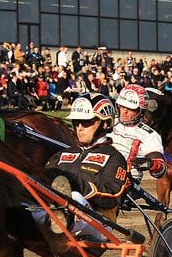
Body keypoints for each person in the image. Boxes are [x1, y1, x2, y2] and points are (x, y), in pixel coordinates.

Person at [45, 93, 130, 241]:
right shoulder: (63, 154)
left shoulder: (114, 157)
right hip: (59, 209)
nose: (79, 128)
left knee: (74, 197)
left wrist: (76, 183)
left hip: (100, 222)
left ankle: (60, 218)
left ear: (105, 123)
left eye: (86, 122)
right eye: (76, 122)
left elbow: (113, 196)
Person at [107, 84, 166, 180]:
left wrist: (151, 164)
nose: (125, 112)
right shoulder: (107, 122)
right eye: (122, 106)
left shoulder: (150, 135)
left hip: (126, 181)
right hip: (99, 174)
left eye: (130, 108)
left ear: (141, 111)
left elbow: (160, 171)